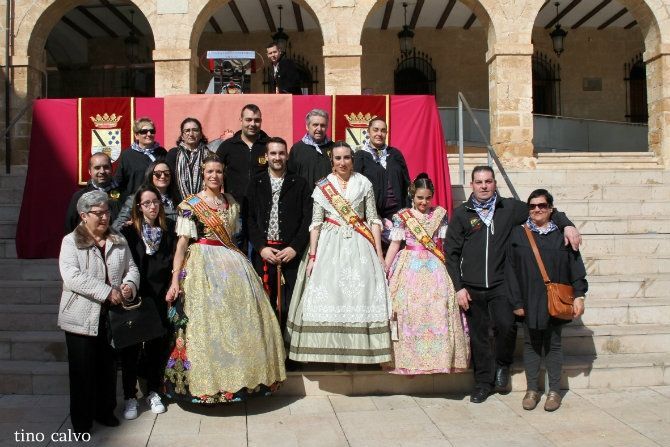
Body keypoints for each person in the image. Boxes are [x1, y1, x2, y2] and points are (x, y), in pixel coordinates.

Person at [445, 166, 581, 403]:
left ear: (495, 183)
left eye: (488, 181)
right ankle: (483, 383)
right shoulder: (461, 214)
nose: (484, 186)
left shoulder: (509, 208)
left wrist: (566, 224)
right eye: (479, 182)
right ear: (472, 185)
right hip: (472, 286)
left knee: (506, 327)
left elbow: (542, 211)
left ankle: (502, 365)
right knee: (479, 336)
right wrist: (459, 287)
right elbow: (451, 253)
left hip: (502, 284)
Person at [164, 155, 286, 404]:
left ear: (223, 174)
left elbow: (234, 236)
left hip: (232, 265)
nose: (214, 176)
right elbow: (182, 244)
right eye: (210, 171)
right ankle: (208, 384)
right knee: (208, 323)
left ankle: (242, 381)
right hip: (202, 265)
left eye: (218, 171)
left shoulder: (231, 201)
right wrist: (175, 279)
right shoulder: (191, 204)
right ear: (203, 173)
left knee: (238, 321)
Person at [286, 141, 392, 364]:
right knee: (331, 293)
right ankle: (331, 352)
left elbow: (373, 219)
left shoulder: (364, 183)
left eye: (346, 157)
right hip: (329, 245)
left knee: (359, 296)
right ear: (332, 161)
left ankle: (360, 352)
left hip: (360, 244)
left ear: (352, 159)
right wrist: (313, 256)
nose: (342, 162)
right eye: (338, 158)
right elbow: (316, 223)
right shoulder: (323, 186)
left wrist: (380, 255)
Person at [58, 190, 139, 434]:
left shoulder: (118, 238)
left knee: (107, 368)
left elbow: (132, 268)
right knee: (82, 372)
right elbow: (72, 276)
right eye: (99, 213)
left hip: (112, 316)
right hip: (81, 316)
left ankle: (105, 411)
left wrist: (130, 285)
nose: (105, 217)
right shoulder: (71, 241)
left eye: (107, 212)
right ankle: (82, 422)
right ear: (84, 215)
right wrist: (106, 292)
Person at [506, 189, 587, 412]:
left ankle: (554, 392)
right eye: (532, 206)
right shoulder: (518, 234)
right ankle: (532, 390)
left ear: (551, 208)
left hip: (555, 301)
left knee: (554, 344)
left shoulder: (562, 234)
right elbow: (510, 270)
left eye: (542, 205)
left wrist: (579, 295)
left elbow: (575, 266)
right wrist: (516, 302)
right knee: (531, 345)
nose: (537, 210)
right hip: (529, 299)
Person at [384, 173, 470, 375]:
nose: (424, 202)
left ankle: (439, 360)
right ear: (412, 195)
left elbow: (446, 244)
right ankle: (409, 361)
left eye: (428, 198)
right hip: (408, 266)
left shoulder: (440, 214)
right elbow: (395, 244)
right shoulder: (402, 215)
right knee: (407, 310)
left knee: (439, 308)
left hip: (435, 266)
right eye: (420, 198)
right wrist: (385, 268)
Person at [245, 137, 312, 336]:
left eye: (281, 153)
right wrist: (261, 248)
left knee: (290, 303)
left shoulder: (299, 183)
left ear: (287, 156)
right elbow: (249, 218)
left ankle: (289, 346)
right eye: (273, 153)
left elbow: (307, 219)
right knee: (264, 303)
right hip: (265, 253)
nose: (277, 157)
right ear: (266, 156)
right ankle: (269, 347)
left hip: (290, 254)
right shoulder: (256, 182)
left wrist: (294, 248)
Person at [120, 185, 176, 419]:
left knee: (156, 346)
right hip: (136, 296)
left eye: (155, 202)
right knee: (131, 349)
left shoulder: (169, 229)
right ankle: (130, 396)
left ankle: (153, 391)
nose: (152, 207)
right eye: (147, 203)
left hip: (160, 296)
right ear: (139, 207)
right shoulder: (129, 232)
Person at [353, 118, 411, 223]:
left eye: (383, 130)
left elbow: (406, 184)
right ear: (368, 132)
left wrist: (407, 208)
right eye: (375, 130)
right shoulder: (360, 156)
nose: (379, 134)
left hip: (398, 213)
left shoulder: (395, 154)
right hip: (373, 214)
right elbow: (356, 188)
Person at [215, 104, 270, 204]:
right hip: (234, 206)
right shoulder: (227, 146)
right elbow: (214, 175)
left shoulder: (270, 145)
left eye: (257, 120)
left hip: (263, 206)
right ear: (241, 120)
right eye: (248, 120)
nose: (252, 124)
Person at [64, 152, 122, 234]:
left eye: (106, 167)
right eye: (97, 168)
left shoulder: (124, 194)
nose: (102, 171)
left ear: (112, 169)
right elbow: (70, 227)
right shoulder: (79, 197)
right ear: (90, 171)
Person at [112, 160, 178, 231]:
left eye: (167, 173)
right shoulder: (135, 199)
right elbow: (117, 226)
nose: (163, 176)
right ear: (150, 175)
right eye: (158, 174)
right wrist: (128, 226)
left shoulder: (179, 199)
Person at [114, 117, 167, 202]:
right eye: (144, 132)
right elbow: (119, 181)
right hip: (136, 202)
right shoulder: (127, 155)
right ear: (136, 135)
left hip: (158, 201)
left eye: (152, 131)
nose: (149, 134)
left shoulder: (162, 152)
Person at [165, 117, 214, 204]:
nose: (191, 134)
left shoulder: (210, 156)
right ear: (182, 136)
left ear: (201, 134)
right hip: (178, 205)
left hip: (205, 206)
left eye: (195, 130)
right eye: (187, 131)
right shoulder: (173, 154)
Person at [287, 109, 334, 188]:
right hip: (304, 195)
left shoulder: (334, 148)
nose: (319, 129)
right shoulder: (296, 149)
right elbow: (290, 178)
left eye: (323, 125)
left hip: (329, 195)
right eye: (315, 125)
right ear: (307, 126)